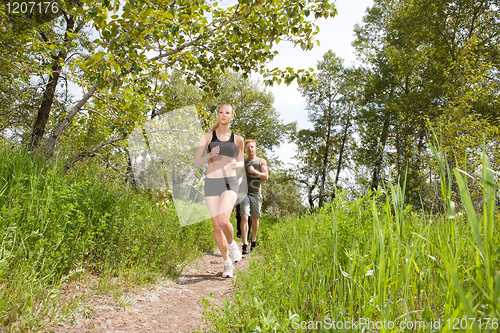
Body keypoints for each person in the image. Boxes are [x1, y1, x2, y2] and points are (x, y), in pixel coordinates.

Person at [193, 104, 244, 278]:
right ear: (217, 115)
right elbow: (197, 163)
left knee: (223, 221)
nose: (223, 115)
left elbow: (242, 162)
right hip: (211, 183)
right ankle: (227, 263)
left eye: (227, 113)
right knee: (216, 226)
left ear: (232, 116)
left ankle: (232, 245)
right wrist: (209, 155)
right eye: (221, 112)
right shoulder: (207, 137)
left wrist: (237, 164)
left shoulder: (238, 140)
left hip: (229, 181)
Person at [240, 140, 268, 254]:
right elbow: (239, 177)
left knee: (255, 219)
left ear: (255, 148)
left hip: (256, 194)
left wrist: (255, 172)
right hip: (244, 194)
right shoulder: (243, 162)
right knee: (245, 217)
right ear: (245, 149)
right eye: (248, 147)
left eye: (252, 147)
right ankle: (245, 244)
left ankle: (254, 240)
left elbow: (265, 176)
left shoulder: (261, 161)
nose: (250, 149)